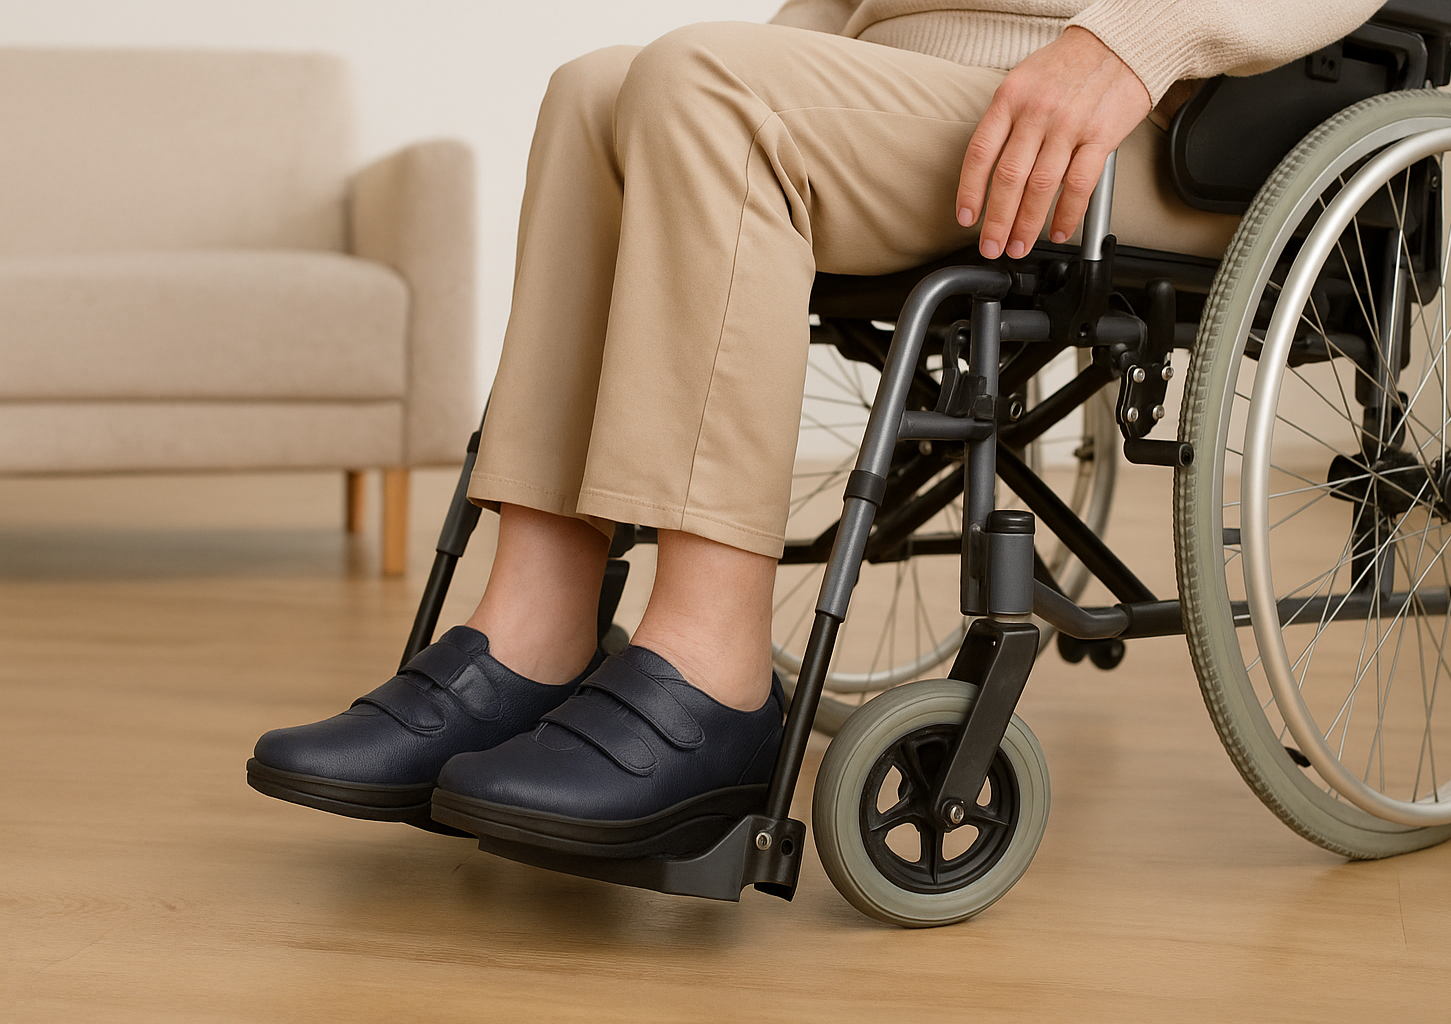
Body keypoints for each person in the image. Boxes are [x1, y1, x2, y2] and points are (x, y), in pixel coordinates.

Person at [248, 0, 1384, 845]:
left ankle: (711, 674)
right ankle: (531, 630)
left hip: (1148, 120)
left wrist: (1135, 43)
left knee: (702, 87)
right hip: (914, 98)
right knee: (602, 84)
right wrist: (757, 61)